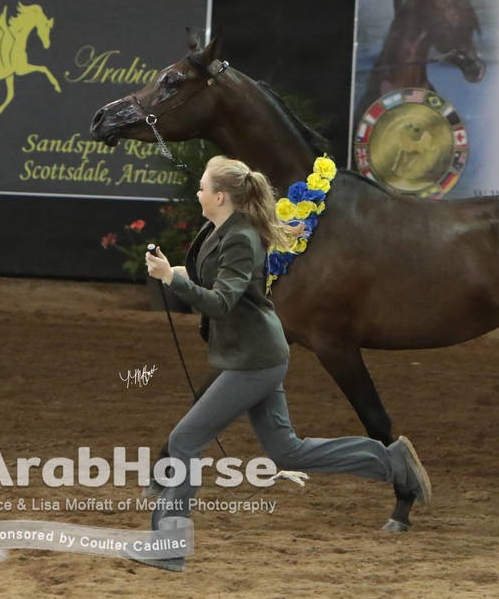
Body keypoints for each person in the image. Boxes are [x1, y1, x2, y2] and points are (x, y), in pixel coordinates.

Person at [132, 155, 431, 572]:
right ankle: (391, 461)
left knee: (184, 440)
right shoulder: (221, 229)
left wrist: (172, 280)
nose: (198, 192)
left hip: (253, 361)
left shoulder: (240, 237)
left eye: (202, 187)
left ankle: (167, 545)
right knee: (286, 452)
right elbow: (214, 281)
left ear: (220, 196)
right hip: (255, 355)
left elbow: (221, 302)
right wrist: (172, 271)